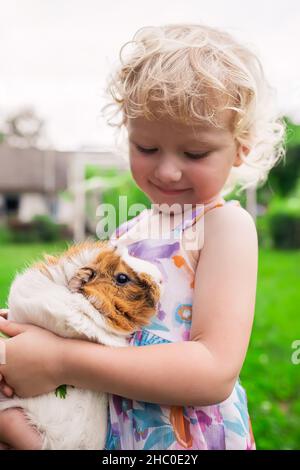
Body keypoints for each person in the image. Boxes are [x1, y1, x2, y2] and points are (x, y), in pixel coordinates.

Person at [0, 23, 285, 450]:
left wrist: (61, 361)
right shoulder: (129, 229)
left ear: (240, 146)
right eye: (147, 148)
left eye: (194, 153)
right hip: (114, 434)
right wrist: (33, 327)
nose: (167, 170)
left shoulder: (225, 227)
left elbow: (213, 371)